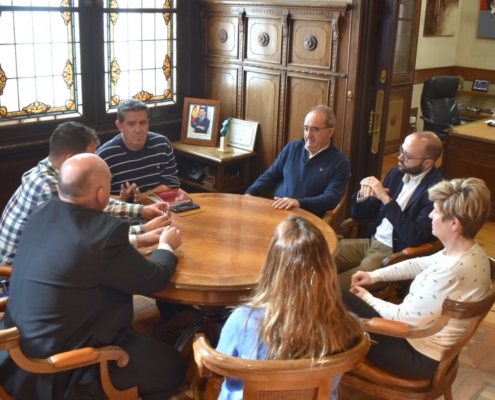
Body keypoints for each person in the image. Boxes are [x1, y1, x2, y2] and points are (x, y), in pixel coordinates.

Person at [0, 154, 188, 399]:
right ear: (101, 194)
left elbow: (77, 249)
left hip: (14, 356)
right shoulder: (103, 233)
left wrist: (139, 239)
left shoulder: (44, 210)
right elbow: (154, 279)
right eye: (110, 185)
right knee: (176, 366)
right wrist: (166, 246)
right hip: (57, 370)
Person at [343, 177, 491, 380]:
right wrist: (374, 276)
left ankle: (320, 375)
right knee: (339, 300)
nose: (430, 215)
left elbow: (403, 319)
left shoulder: (451, 270)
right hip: (424, 343)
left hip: (415, 355)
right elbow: (419, 263)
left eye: (436, 212)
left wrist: (366, 298)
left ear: (454, 223)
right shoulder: (469, 251)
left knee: (335, 298)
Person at [215, 215, 363, 399]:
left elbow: (217, 368)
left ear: (273, 266)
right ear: (327, 267)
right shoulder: (349, 325)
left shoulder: (242, 320)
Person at [0, 121, 170, 266]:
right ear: (70, 159)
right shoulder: (49, 188)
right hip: (16, 274)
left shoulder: (48, 169)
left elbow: (93, 202)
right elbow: (85, 238)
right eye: (91, 157)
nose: (95, 161)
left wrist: (142, 210)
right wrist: (143, 231)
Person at [336, 131, 444, 289]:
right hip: (370, 242)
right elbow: (359, 215)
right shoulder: (396, 174)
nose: (399, 157)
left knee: (333, 285)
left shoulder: (437, 191)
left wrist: (386, 200)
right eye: (401, 150)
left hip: (393, 254)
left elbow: (414, 236)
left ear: (428, 163)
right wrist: (362, 196)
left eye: (406, 155)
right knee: (317, 256)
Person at [245, 105, 350, 218]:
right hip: (277, 212)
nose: (308, 135)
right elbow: (271, 176)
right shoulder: (292, 148)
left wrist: (299, 203)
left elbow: (331, 198)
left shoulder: (340, 163)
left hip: (307, 221)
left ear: (330, 132)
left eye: (314, 129)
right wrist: (251, 193)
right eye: (306, 128)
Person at [97, 99, 180, 203]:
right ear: (120, 126)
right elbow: (94, 196)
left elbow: (171, 184)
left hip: (156, 205)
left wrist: (144, 196)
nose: (138, 130)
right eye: (131, 124)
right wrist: (121, 198)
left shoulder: (162, 144)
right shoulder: (104, 155)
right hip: (121, 211)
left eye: (143, 123)